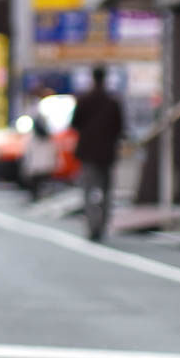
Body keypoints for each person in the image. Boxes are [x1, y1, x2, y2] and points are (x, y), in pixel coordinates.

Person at [70, 66, 125, 241]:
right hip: (107, 152)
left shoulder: (85, 100)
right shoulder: (112, 101)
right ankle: (102, 225)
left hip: (88, 152)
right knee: (106, 191)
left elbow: (75, 124)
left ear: (92, 78)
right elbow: (120, 128)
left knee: (89, 190)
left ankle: (92, 225)